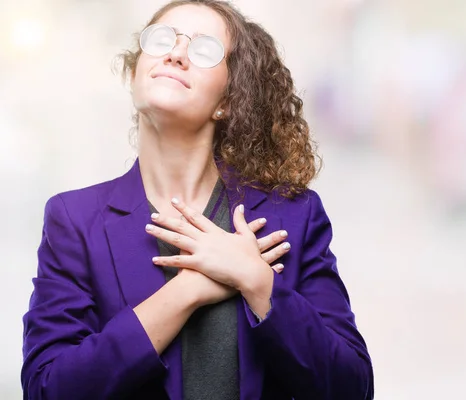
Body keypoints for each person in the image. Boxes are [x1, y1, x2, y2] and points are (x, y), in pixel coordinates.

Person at [21, 1, 374, 399]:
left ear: (228, 100)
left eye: (203, 49)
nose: (175, 53)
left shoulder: (293, 215)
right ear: (135, 73)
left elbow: (351, 386)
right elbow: (48, 389)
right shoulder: (74, 220)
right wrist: (186, 291)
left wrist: (257, 282)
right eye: (161, 40)